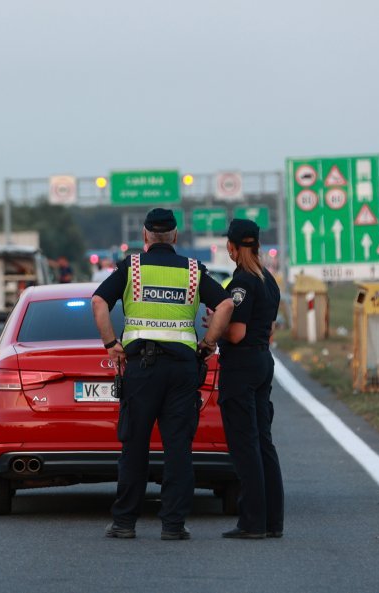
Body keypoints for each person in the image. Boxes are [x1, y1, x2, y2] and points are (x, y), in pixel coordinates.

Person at [92, 208, 233, 540]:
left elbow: (99, 301)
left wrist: (112, 343)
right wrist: (208, 343)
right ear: (174, 237)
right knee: (178, 448)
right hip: (182, 370)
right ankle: (173, 525)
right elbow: (226, 304)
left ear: (144, 236)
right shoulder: (194, 271)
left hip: (141, 369)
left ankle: (125, 522)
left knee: (135, 446)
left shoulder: (132, 268)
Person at [216, 218, 284, 539]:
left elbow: (237, 333)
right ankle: (273, 521)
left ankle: (252, 522)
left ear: (232, 247)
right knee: (263, 442)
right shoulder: (269, 280)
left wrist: (214, 324)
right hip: (262, 361)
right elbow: (266, 328)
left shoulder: (242, 282)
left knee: (245, 445)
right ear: (255, 245)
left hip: (241, 366)